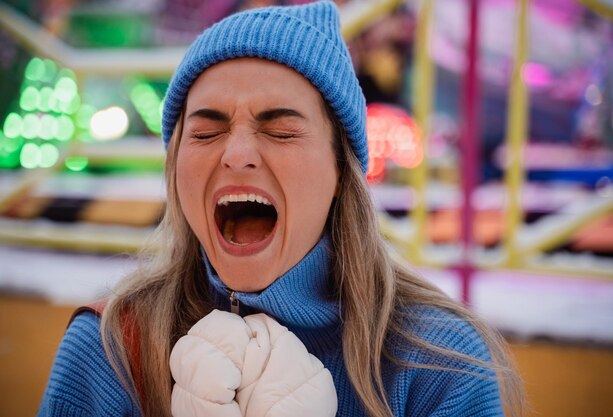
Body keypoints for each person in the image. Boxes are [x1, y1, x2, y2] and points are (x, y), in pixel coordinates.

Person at [38, 2, 524, 417]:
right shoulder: (109, 352)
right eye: (206, 132)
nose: (236, 154)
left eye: (281, 130)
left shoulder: (440, 366)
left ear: (341, 171)